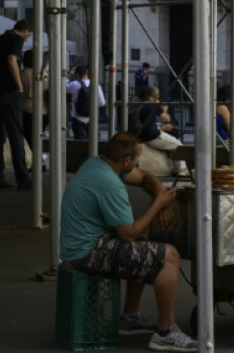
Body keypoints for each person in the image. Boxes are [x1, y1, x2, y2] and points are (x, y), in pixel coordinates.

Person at [59, 132, 197, 352]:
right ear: (126, 161)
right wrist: (159, 204)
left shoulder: (99, 164)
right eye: (138, 157)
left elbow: (145, 177)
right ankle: (166, 332)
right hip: (85, 252)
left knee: (144, 246)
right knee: (169, 256)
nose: (139, 161)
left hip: (79, 244)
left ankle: (130, 317)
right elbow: (128, 234)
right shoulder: (110, 184)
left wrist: (159, 191)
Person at [0, 18, 32, 190]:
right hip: (10, 93)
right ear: (25, 30)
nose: (27, 38)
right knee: (16, 135)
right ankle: (23, 180)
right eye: (29, 35)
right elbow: (11, 60)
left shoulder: (0, 38)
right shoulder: (16, 39)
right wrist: (18, 84)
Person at [135, 86, 181, 177]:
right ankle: (181, 170)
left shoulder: (138, 103)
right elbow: (167, 118)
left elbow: (144, 122)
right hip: (151, 136)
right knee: (177, 145)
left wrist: (161, 127)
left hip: (138, 134)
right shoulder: (152, 105)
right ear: (156, 96)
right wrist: (161, 107)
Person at [66, 64, 106, 140]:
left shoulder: (73, 85)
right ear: (87, 72)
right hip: (92, 118)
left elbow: (62, 87)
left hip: (77, 118)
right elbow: (102, 102)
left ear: (77, 74)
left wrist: (68, 76)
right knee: (93, 143)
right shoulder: (96, 85)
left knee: (80, 144)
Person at [22, 49, 49, 151]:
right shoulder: (44, 75)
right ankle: (39, 162)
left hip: (26, 109)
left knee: (29, 139)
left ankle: (36, 163)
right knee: (38, 137)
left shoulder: (22, 73)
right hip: (44, 110)